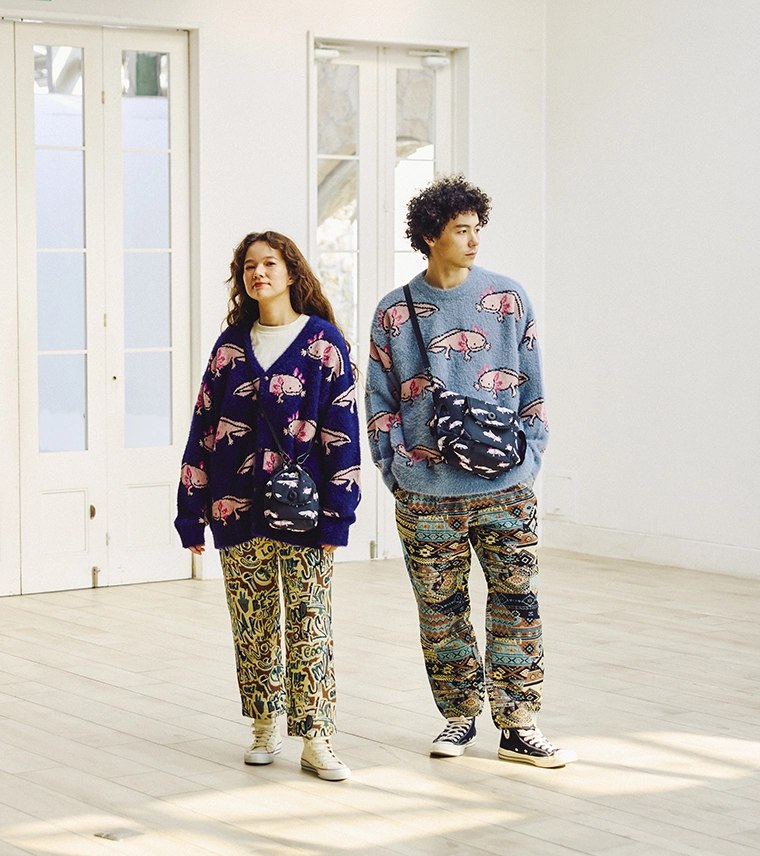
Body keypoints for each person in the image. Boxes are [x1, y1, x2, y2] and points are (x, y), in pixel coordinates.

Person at [365, 176, 576, 768]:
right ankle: (458, 718)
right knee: (441, 610)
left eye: (477, 228)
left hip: (506, 486)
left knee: (517, 602)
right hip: (426, 493)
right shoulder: (394, 311)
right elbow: (378, 397)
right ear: (431, 236)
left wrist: (530, 458)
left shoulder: (509, 297)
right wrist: (397, 469)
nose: (474, 240)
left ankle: (520, 726)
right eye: (461, 230)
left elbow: (533, 384)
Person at [176, 230, 361, 781]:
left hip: (305, 513)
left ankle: (317, 737)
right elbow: (203, 428)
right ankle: (264, 723)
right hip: (235, 511)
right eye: (249, 266)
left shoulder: (324, 343)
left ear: (291, 272)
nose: (259, 273)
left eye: (270, 263)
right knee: (252, 622)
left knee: (310, 622)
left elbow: (344, 433)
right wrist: (190, 511)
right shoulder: (230, 348)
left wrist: (339, 514)